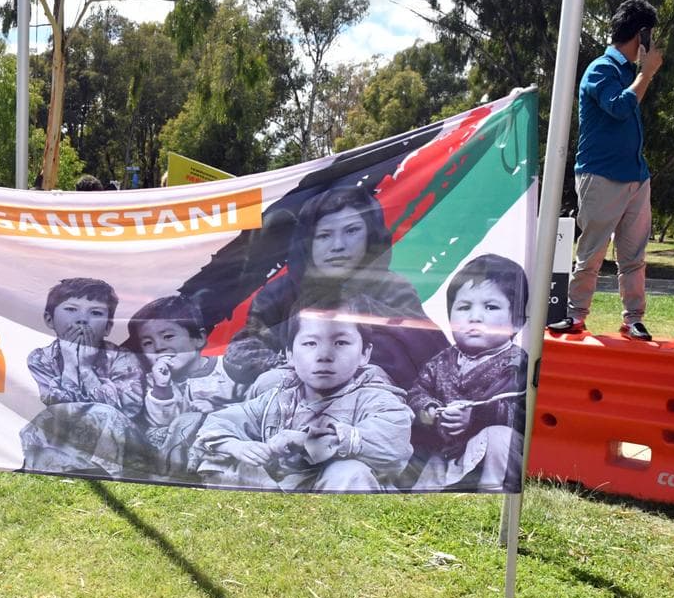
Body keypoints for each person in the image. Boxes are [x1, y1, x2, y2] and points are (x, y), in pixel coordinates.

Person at [224, 184, 449, 391]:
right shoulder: (279, 294)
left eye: (351, 231)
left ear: (370, 236)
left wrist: (363, 309)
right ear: (308, 241)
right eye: (324, 235)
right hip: (290, 405)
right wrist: (295, 367)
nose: (338, 246)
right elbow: (242, 351)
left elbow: (433, 355)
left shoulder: (391, 289)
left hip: (375, 406)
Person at [193, 296, 414, 491]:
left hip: (338, 492)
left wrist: (307, 439)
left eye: (340, 342)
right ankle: (265, 515)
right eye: (310, 343)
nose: (324, 355)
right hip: (281, 489)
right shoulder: (280, 396)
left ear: (365, 354)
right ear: (289, 354)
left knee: (349, 471)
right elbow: (220, 421)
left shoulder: (376, 398)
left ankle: (336, 528)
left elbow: (393, 446)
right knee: (225, 457)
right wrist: (238, 446)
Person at [549, 0, 662, 341]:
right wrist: (646, 74)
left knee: (634, 257)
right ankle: (575, 315)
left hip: (636, 178)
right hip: (600, 177)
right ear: (640, 34)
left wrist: (641, 74)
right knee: (591, 253)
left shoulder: (629, 72)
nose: (654, 43)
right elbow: (618, 107)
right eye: (651, 35)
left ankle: (633, 319)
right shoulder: (601, 69)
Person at [405, 255, 529, 492]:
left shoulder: (516, 363)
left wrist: (475, 416)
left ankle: (494, 491)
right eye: (463, 307)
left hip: (492, 453)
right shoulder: (442, 361)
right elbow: (417, 391)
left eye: (490, 307)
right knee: (424, 472)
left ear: (516, 322)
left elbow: (520, 409)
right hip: (445, 453)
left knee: (501, 436)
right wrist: (429, 410)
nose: (474, 317)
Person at [20, 277, 146, 478]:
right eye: (71, 309)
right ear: (49, 319)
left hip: (119, 442)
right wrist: (70, 364)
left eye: (95, 313)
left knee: (106, 413)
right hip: (65, 433)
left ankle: (104, 473)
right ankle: (53, 468)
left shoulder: (123, 358)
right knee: (46, 420)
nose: (82, 320)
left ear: (108, 327)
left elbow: (126, 409)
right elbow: (55, 404)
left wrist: (86, 369)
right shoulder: (41, 358)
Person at [126, 295, 245, 477]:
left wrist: (217, 410)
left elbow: (254, 409)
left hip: (223, 453)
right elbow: (159, 426)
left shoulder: (230, 369)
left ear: (198, 338)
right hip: (172, 460)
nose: (159, 347)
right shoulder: (151, 382)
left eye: (168, 336)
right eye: (147, 343)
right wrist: (162, 388)